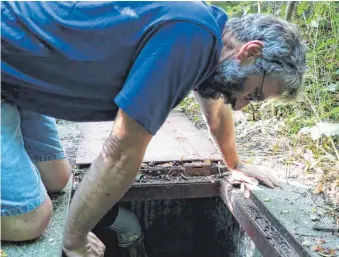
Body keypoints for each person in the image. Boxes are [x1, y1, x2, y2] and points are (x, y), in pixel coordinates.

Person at [1, 1, 306, 256]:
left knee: (59, 180)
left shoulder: (209, 33)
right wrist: (74, 239)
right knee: (30, 221)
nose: (241, 106)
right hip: (7, 59)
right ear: (250, 51)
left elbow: (216, 104)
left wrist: (235, 164)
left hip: (21, 75)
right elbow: (120, 152)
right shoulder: (187, 38)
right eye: (252, 95)